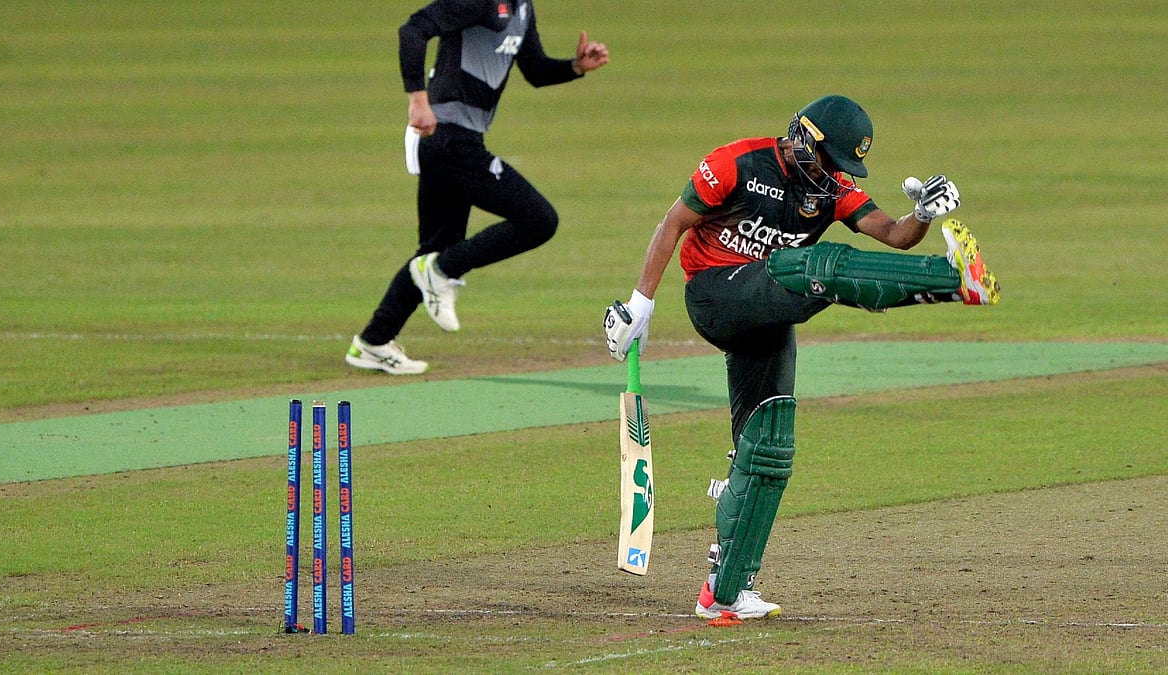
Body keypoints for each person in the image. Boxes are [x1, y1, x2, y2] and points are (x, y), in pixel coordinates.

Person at [602, 94, 999, 621]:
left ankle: (725, 591)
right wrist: (641, 304)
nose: (836, 174)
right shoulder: (736, 163)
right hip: (716, 296)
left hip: (768, 311)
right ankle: (949, 280)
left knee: (767, 448)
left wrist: (922, 213)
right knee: (810, 267)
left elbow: (893, 233)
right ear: (805, 139)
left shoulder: (832, 187)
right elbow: (673, 222)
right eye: (831, 160)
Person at [346, 0, 610, 374]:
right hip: (446, 137)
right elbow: (413, 30)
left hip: (454, 139)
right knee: (538, 220)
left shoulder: (522, 7)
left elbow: (535, 69)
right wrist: (418, 100)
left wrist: (576, 67)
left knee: (434, 250)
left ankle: (373, 342)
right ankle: (440, 271)